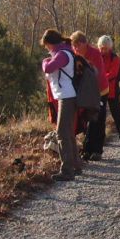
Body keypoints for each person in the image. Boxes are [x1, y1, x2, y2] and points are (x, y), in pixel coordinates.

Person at [40, 29, 83, 181]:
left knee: (62, 133)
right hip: (65, 96)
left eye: (46, 46)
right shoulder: (64, 52)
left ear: (51, 43)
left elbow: (48, 68)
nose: (46, 49)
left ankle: (67, 170)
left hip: (67, 97)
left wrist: (45, 61)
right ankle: (76, 165)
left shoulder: (63, 54)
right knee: (68, 132)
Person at [71, 31, 109, 161]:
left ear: (84, 43)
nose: (76, 48)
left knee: (98, 120)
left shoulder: (94, 54)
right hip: (85, 93)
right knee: (88, 121)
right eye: (74, 46)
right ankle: (87, 149)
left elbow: (96, 75)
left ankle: (97, 150)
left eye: (78, 45)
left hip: (100, 91)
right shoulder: (75, 54)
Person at [98, 35, 120, 146]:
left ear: (110, 47)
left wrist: (100, 78)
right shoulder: (97, 57)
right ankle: (100, 139)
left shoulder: (115, 58)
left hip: (112, 91)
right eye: (101, 48)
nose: (103, 50)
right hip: (99, 91)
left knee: (116, 114)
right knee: (99, 116)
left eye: (105, 48)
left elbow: (113, 74)